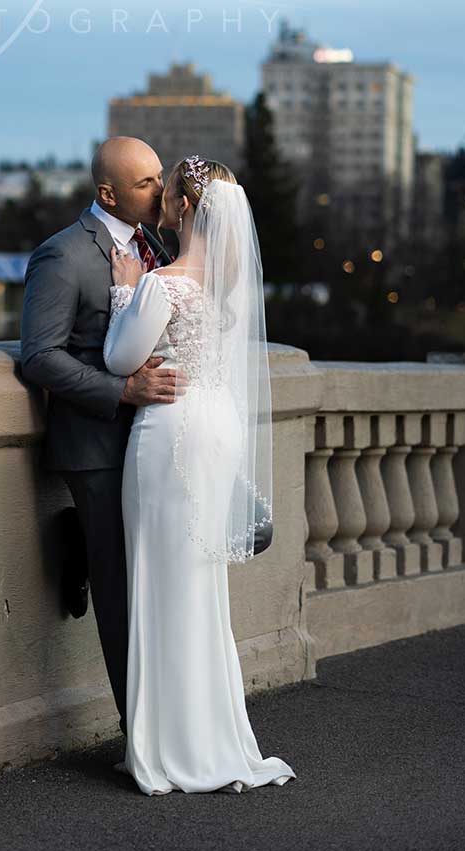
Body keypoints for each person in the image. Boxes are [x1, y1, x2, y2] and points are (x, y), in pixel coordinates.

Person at [102, 156, 295, 794]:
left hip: (172, 434)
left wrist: (125, 289)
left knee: (159, 583)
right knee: (201, 589)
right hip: (217, 431)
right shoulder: (225, 286)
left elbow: (119, 356)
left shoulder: (164, 283)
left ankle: (168, 747)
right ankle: (210, 737)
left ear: (183, 208)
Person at [16, 136, 181, 739]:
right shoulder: (63, 256)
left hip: (153, 444)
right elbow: (40, 358)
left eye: (161, 177)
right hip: (96, 449)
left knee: (156, 581)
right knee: (119, 593)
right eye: (146, 184)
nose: (160, 191)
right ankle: (141, 736)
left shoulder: (154, 245)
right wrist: (122, 393)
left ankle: (76, 543)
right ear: (108, 192)